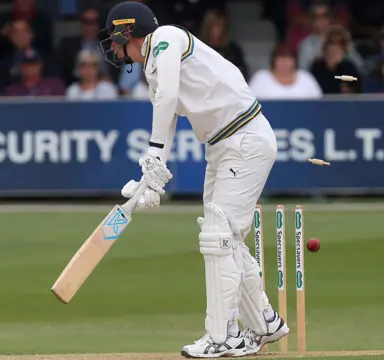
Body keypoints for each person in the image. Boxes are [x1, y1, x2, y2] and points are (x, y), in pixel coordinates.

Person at [98, 2, 287, 358]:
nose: (112, 47)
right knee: (224, 237)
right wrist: (152, 178)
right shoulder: (153, 70)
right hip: (221, 145)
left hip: (244, 136)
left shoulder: (167, 38)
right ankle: (264, 323)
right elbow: (166, 118)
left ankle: (223, 336)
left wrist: (154, 155)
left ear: (128, 32)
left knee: (218, 236)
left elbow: (168, 98)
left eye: (114, 38)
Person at [249, 44, 322, 99]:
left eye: (289, 59)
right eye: (281, 58)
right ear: (273, 60)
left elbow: (318, 103)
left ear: (295, 61)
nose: (285, 63)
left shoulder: (306, 77)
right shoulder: (260, 77)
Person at [199, 9, 249, 80]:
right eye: (216, 26)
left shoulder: (233, 49)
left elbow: (242, 72)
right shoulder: (200, 47)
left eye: (222, 26)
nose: (219, 30)